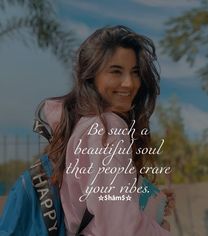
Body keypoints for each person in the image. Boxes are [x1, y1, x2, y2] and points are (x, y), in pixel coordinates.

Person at [42, 25, 174, 236]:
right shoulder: (107, 128)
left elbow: (97, 206)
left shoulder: (83, 125)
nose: (129, 83)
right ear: (92, 77)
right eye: (116, 71)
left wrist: (148, 202)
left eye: (135, 72)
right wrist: (163, 231)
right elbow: (120, 228)